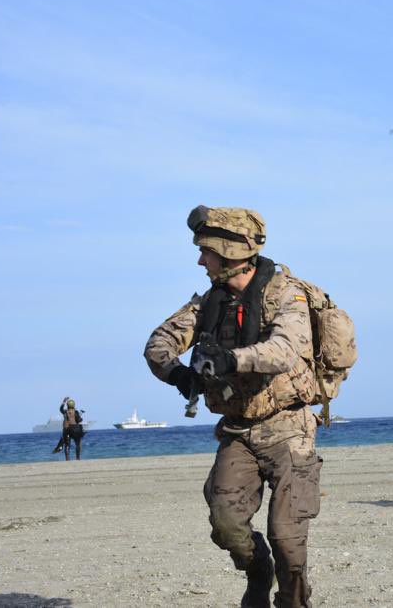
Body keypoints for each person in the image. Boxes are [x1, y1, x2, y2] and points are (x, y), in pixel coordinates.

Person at [144, 206, 325, 608]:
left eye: (205, 251)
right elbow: (158, 344)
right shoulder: (211, 302)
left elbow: (284, 351)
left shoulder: (286, 294)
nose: (200, 260)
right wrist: (180, 376)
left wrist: (231, 359)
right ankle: (257, 569)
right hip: (238, 430)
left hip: (288, 428)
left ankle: (294, 601)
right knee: (225, 524)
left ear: (227, 253)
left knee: (288, 540)